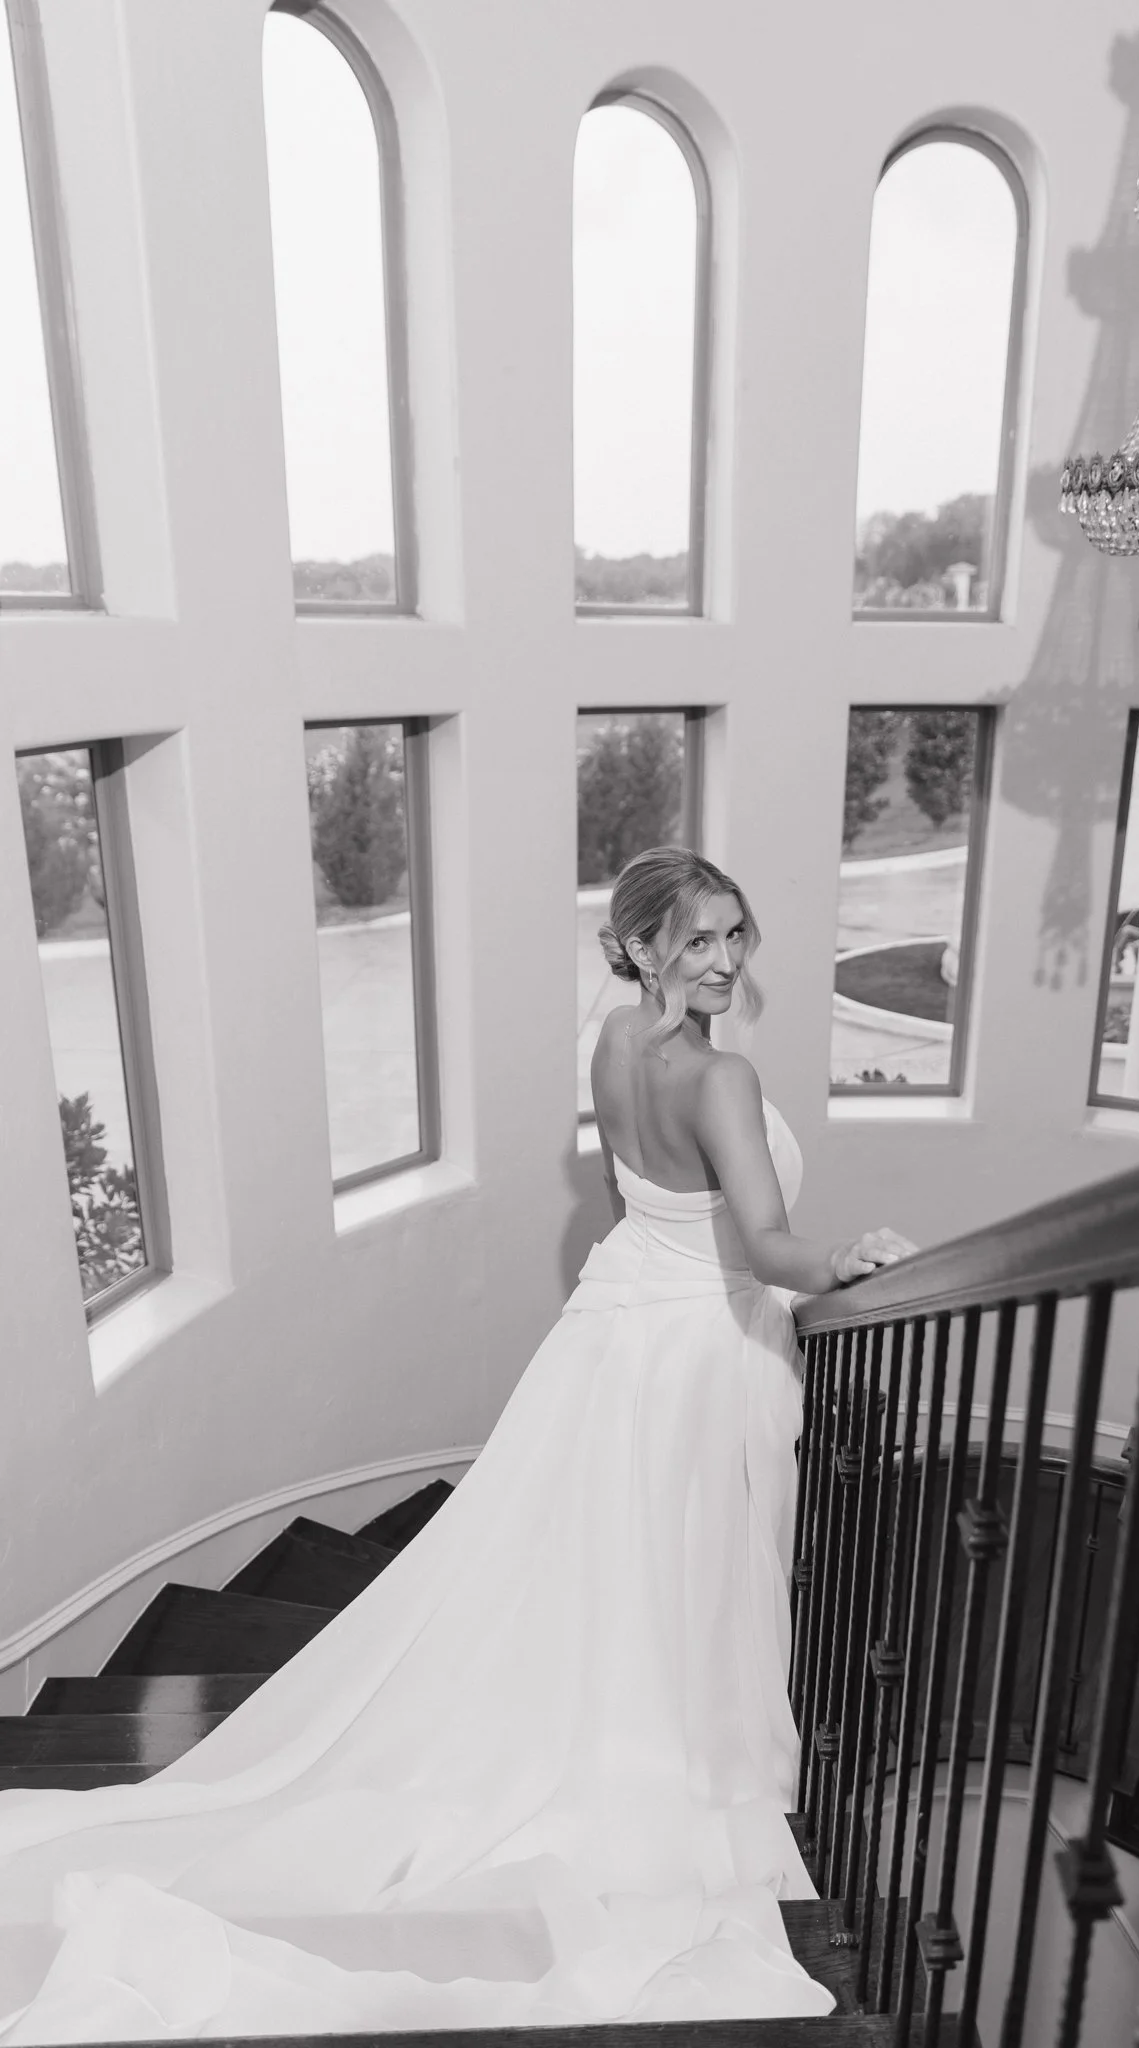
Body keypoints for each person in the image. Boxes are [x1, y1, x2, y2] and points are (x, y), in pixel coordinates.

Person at [0, 847, 913, 2040]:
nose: (726, 961)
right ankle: (682, 1769)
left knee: (605, 1570)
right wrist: (847, 1260)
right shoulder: (723, 1075)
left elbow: (654, 1201)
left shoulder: (611, 1048)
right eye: (697, 940)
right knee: (692, 1581)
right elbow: (772, 1248)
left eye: (738, 934)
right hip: (696, 1357)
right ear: (641, 948)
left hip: (614, 1340)